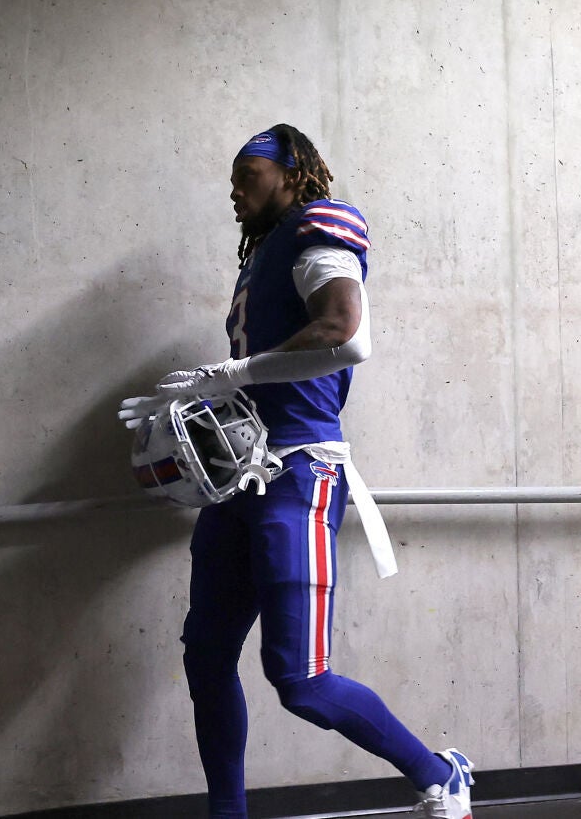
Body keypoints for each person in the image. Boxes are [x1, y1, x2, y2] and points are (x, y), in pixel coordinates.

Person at [124, 125, 475, 818]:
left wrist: (232, 373)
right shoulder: (261, 256)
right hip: (240, 476)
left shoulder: (319, 224)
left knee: (300, 680)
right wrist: (206, 401)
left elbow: (345, 335)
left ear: (291, 172)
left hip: (299, 473)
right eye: (231, 180)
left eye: (247, 175)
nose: (235, 191)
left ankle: (440, 774)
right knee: (206, 655)